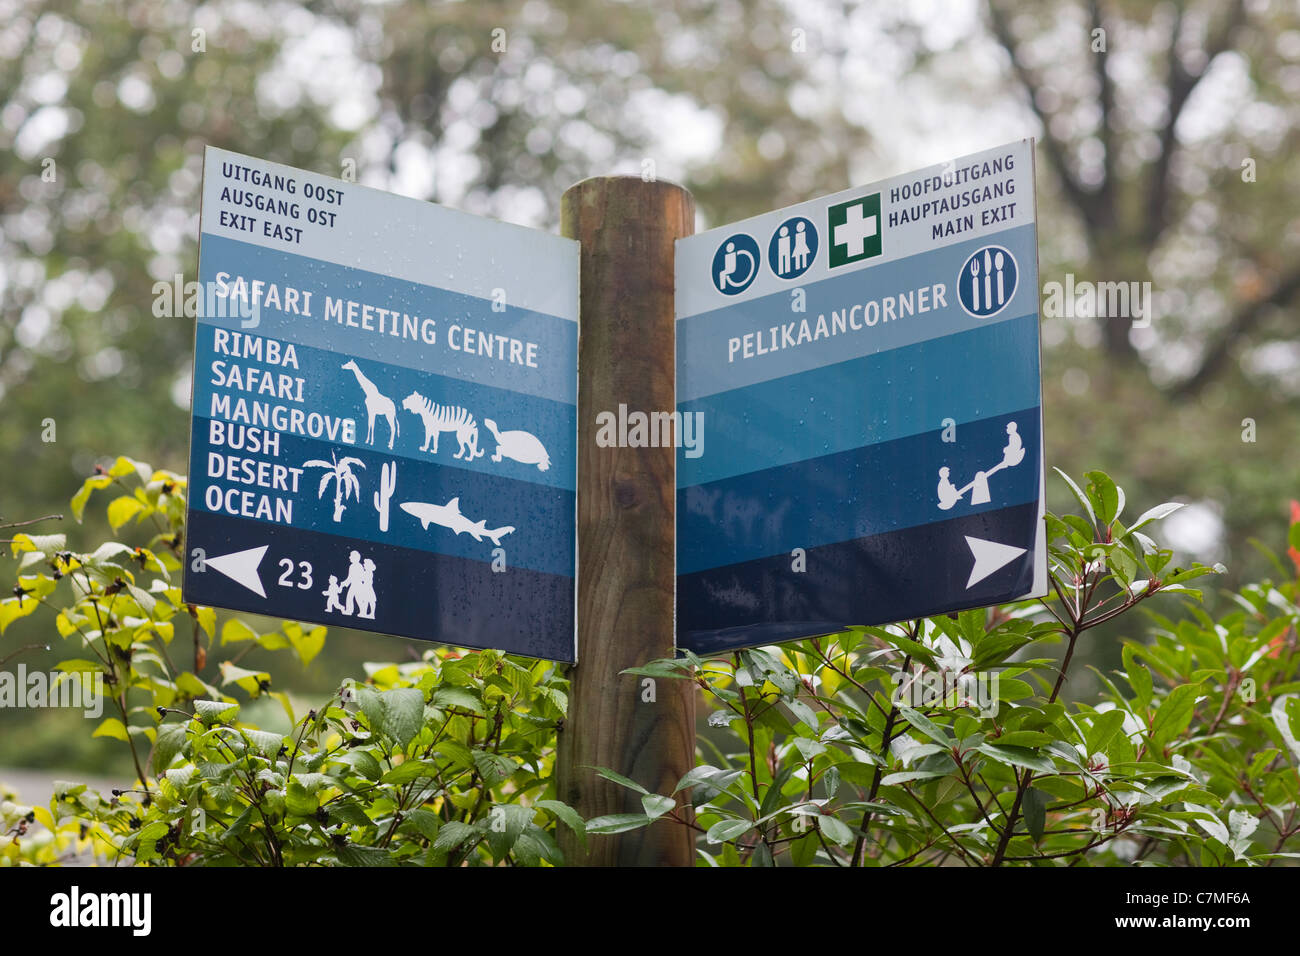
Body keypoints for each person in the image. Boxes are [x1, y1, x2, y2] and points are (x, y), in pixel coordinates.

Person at [341, 550, 364, 615]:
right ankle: (349, 610)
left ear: (355, 557)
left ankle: (363, 611)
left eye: (351, 556)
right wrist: (345, 583)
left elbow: (356, 577)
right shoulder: (351, 566)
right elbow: (350, 577)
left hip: (358, 585)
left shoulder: (359, 566)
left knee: (358, 599)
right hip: (353, 585)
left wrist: (346, 583)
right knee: (349, 597)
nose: (349, 557)